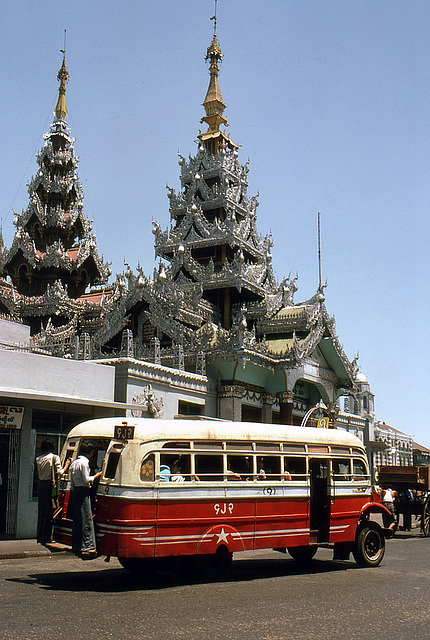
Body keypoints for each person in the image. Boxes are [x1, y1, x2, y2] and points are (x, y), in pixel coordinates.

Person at [69, 443, 102, 558]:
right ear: (89, 452)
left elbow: (71, 481)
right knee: (87, 518)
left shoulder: (74, 463)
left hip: (76, 491)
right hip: (83, 491)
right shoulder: (84, 463)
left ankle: (77, 545)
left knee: (78, 518)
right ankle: (88, 545)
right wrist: (97, 476)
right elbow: (87, 479)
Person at [35, 439, 70, 546]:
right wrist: (67, 465)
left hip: (41, 486)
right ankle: (47, 537)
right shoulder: (54, 457)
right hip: (50, 486)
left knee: (42, 512)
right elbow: (60, 472)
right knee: (50, 512)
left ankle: (40, 536)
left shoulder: (38, 459)